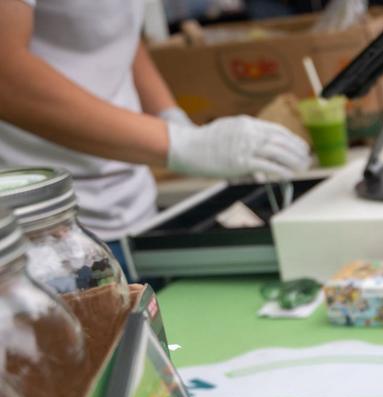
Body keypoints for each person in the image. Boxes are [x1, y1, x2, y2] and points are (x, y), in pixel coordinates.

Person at [0, 0, 310, 263]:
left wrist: (170, 117)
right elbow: (6, 76)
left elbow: (114, 33)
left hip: (135, 209)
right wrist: (180, 144)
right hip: (42, 236)